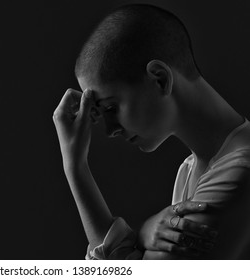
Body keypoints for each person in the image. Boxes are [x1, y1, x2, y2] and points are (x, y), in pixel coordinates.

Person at [52, 4, 250, 259]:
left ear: (160, 79)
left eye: (111, 107)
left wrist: (75, 168)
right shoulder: (190, 169)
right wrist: (144, 233)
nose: (110, 130)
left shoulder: (239, 172)